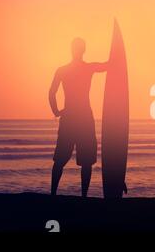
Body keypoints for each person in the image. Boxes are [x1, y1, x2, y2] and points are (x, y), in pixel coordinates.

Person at [49, 37, 108, 197]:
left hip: (69, 117)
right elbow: (107, 65)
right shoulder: (88, 68)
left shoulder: (62, 70)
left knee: (60, 160)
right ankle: (83, 196)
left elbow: (51, 92)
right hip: (84, 118)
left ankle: (53, 194)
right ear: (83, 50)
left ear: (71, 49)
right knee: (86, 161)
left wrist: (56, 111)